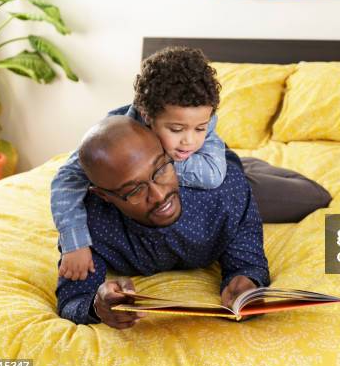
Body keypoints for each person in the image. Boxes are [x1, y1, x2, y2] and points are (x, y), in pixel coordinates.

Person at [56, 116, 270, 327]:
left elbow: (248, 260)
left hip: (226, 167)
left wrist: (246, 279)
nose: (159, 196)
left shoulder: (227, 191)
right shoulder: (86, 226)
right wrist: (96, 306)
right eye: (134, 190)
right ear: (104, 196)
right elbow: (72, 301)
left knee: (300, 197)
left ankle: (255, 167)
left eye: (161, 170)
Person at [51, 47, 226, 281]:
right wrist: (74, 242)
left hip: (228, 160)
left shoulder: (201, 118)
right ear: (146, 116)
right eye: (176, 129)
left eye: (201, 128)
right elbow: (66, 179)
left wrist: (161, 165)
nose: (190, 141)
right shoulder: (114, 143)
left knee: (269, 183)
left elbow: (213, 174)